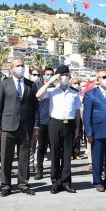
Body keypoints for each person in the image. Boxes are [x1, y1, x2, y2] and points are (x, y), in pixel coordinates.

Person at [0, 58, 40, 197]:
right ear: (11, 68)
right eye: (18, 65)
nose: (21, 67)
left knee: (24, 157)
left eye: (22, 65)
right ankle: (6, 185)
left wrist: (36, 126)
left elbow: (35, 107)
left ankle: (23, 184)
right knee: (6, 157)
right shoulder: (4, 84)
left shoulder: (31, 84)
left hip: (25, 126)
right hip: (7, 126)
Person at [37, 65, 81, 193]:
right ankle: (56, 182)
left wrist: (77, 128)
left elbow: (77, 111)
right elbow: (38, 95)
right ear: (58, 77)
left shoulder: (75, 92)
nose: (64, 78)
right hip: (55, 124)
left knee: (67, 155)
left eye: (67, 75)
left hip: (69, 124)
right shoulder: (52, 91)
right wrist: (50, 81)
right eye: (62, 75)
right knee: (55, 154)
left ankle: (66, 182)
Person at [70, 77, 83, 160]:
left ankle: (76, 153)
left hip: (79, 117)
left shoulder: (81, 95)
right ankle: (70, 153)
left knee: (78, 135)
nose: (77, 85)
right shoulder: (70, 93)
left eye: (78, 83)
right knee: (70, 135)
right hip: (71, 117)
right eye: (75, 83)